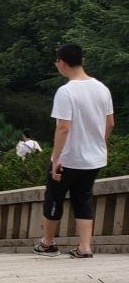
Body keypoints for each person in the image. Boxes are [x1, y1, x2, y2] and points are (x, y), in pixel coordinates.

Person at [35, 43, 114, 258]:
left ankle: (49, 243)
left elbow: (63, 127)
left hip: (68, 158)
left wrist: (56, 158)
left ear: (61, 62)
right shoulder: (102, 88)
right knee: (83, 198)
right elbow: (110, 124)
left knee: (54, 198)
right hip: (94, 158)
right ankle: (85, 246)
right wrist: (99, 143)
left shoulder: (66, 91)